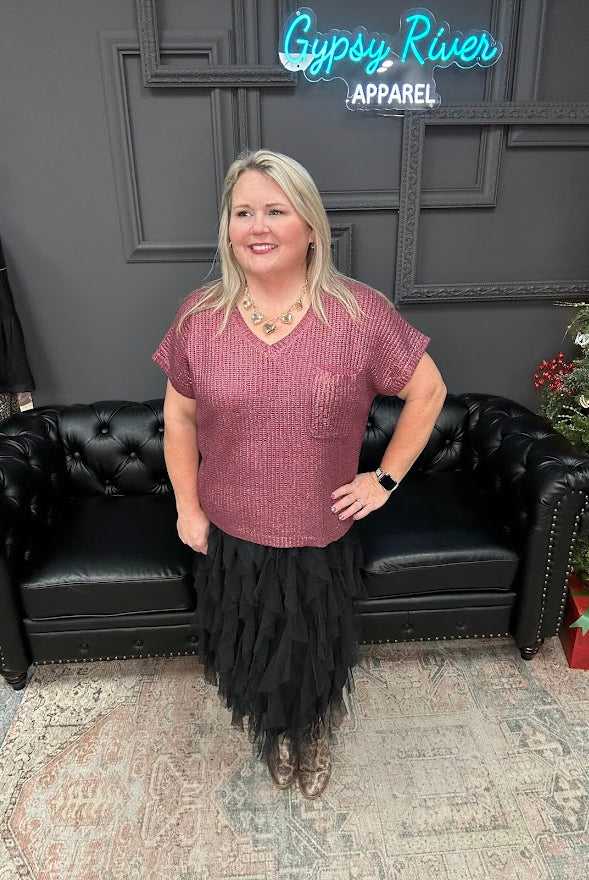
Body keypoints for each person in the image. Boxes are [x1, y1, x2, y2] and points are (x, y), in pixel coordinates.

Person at [151, 149, 446, 799]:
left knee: (311, 648)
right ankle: (273, 727)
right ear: (227, 227)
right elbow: (178, 418)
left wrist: (384, 479)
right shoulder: (201, 317)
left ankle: (306, 730)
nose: (257, 226)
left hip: (319, 532)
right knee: (250, 644)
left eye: (275, 211)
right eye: (243, 212)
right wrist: (187, 508)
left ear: (310, 227)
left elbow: (427, 393)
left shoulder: (360, 315)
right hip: (231, 529)